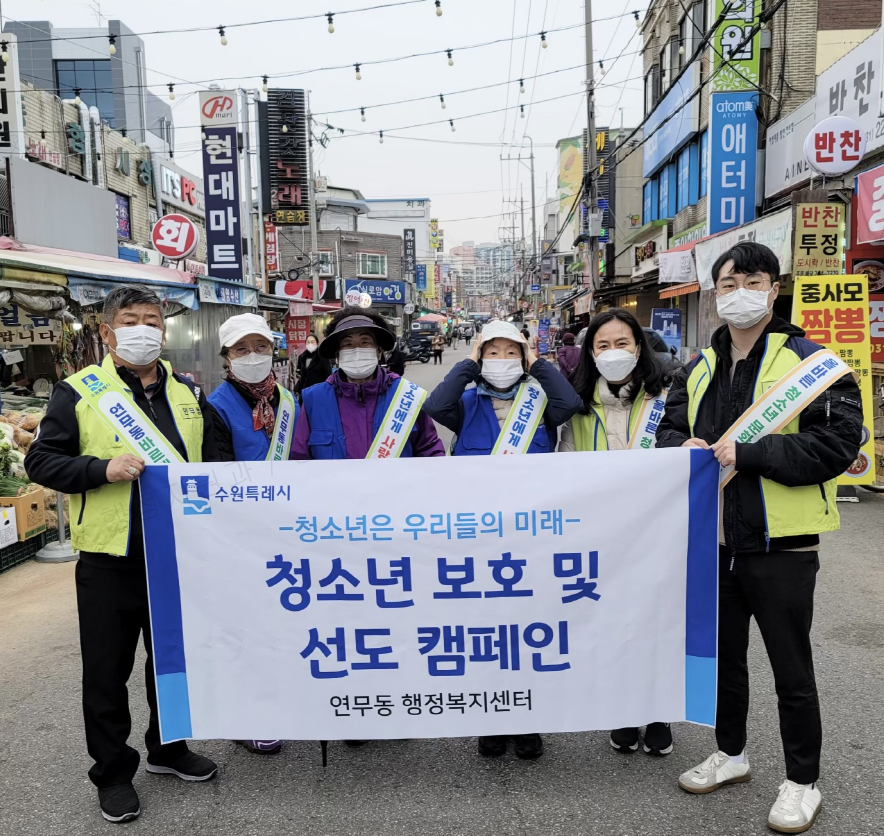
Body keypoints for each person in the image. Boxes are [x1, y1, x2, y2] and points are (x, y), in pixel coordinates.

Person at [656, 242, 863, 834]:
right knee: (725, 662)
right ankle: (731, 752)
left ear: (774, 288)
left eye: (751, 279)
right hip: (714, 542)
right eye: (727, 282)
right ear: (714, 294)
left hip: (784, 545)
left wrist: (751, 452)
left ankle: (803, 782)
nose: (738, 290)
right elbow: (667, 432)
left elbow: (838, 445)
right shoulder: (696, 367)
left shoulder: (812, 363)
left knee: (791, 668)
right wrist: (684, 448)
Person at [25, 286, 220, 825]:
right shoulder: (78, 392)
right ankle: (112, 773)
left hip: (176, 555)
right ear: (108, 332)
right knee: (108, 672)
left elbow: (214, 463)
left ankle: (169, 748)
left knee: (172, 663)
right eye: (130, 320)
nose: (142, 329)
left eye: (152, 319)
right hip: (111, 560)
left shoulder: (187, 392)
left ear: (164, 329)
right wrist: (101, 469)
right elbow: (41, 461)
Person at [423, 319, 582, 761]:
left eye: (510, 353)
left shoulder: (541, 401)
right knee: (486, 635)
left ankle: (528, 721)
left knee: (527, 636)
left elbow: (571, 402)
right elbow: (436, 405)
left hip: (530, 538)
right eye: (492, 352)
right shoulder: (468, 403)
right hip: (477, 539)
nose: (502, 361)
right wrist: (470, 365)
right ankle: (492, 719)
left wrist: (536, 363)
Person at [558, 308, 673, 757]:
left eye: (622, 343)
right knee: (615, 626)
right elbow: (565, 467)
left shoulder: (666, 398)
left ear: (639, 348)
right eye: (602, 345)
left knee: (657, 623)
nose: (613, 353)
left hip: (657, 532)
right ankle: (624, 707)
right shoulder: (578, 406)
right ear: (590, 352)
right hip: (602, 535)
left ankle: (659, 711)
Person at [291, 307, 445, 461]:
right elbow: (300, 459)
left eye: (365, 342)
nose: (357, 350)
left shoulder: (408, 396)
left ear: (378, 352)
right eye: (348, 344)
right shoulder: (315, 399)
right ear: (337, 356)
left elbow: (430, 452)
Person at [295, 333, 332, 400]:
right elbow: (300, 370)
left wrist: (325, 389)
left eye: (312, 342)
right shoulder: (302, 357)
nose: (310, 344)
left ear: (317, 344)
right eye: (308, 342)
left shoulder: (323, 357)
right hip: (305, 391)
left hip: (319, 391)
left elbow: (328, 374)